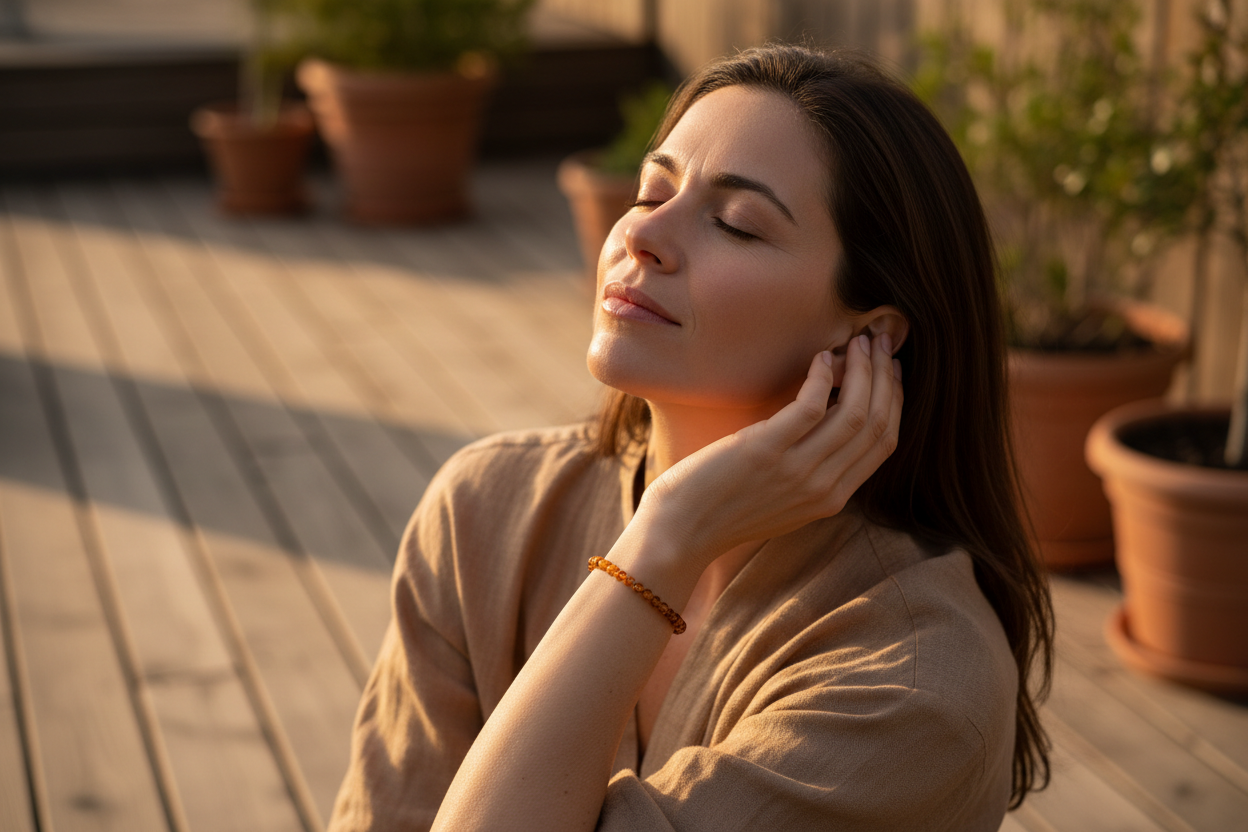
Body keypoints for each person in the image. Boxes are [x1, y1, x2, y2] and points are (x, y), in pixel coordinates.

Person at [326, 44, 1054, 832]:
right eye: (650, 192)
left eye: (737, 225)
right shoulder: (483, 512)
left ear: (869, 333)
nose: (643, 237)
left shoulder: (913, 685)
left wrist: (667, 537)